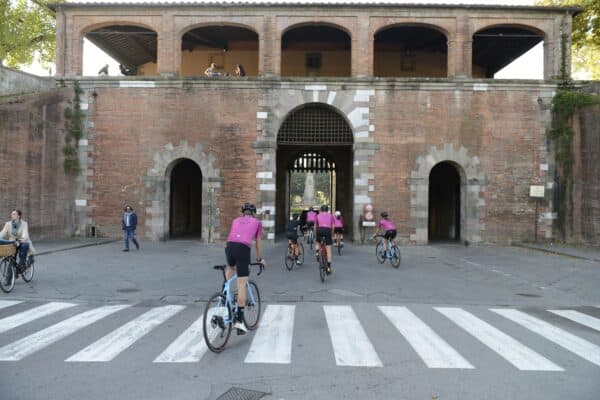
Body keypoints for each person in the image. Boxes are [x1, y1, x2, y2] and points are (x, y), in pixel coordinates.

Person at [225, 203, 265, 334]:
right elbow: (258, 244)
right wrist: (259, 259)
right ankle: (239, 321)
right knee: (242, 283)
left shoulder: (235, 220)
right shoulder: (257, 222)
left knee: (231, 268)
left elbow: (232, 236)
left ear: (243, 213)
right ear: (253, 213)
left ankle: (223, 295)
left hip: (229, 247)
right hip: (243, 249)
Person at [314, 204, 334, 274]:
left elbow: (315, 226)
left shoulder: (318, 215)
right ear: (327, 210)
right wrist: (332, 235)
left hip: (320, 230)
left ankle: (318, 252)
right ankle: (328, 268)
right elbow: (333, 227)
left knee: (318, 242)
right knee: (328, 250)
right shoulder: (331, 216)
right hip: (327, 230)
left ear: (321, 210)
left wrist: (315, 235)